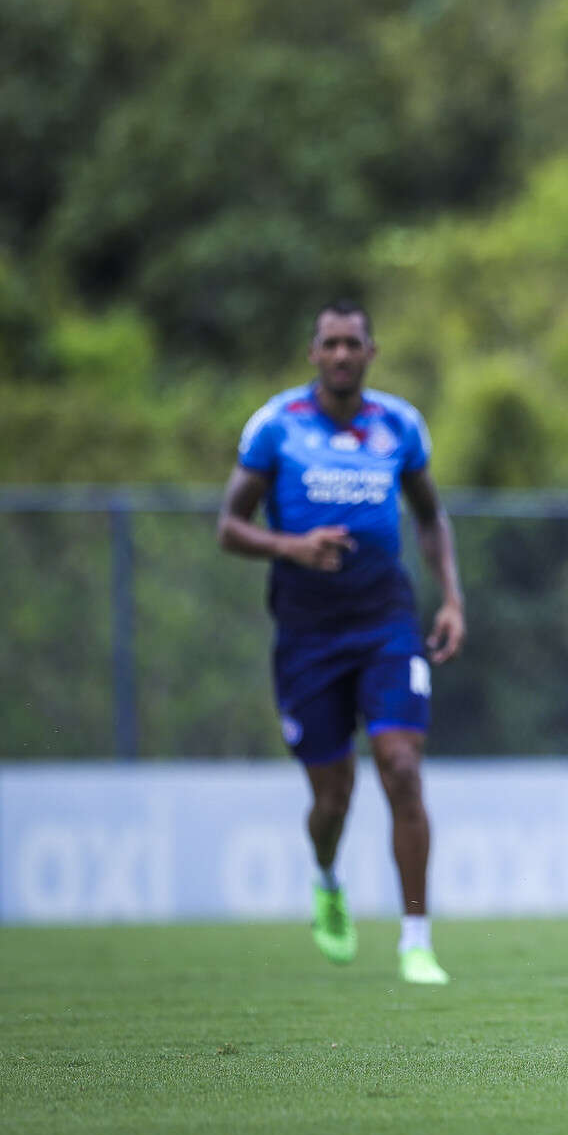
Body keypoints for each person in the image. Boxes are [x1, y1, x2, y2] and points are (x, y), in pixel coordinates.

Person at [219, 300, 465, 983]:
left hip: (386, 622)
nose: (340, 354)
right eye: (329, 343)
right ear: (312, 353)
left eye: (352, 343)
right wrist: (291, 545)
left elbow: (430, 515)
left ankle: (416, 939)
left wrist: (451, 597)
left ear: (370, 352)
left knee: (402, 767)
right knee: (333, 797)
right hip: (306, 634)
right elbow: (229, 528)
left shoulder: (398, 426)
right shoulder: (276, 428)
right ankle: (327, 878)